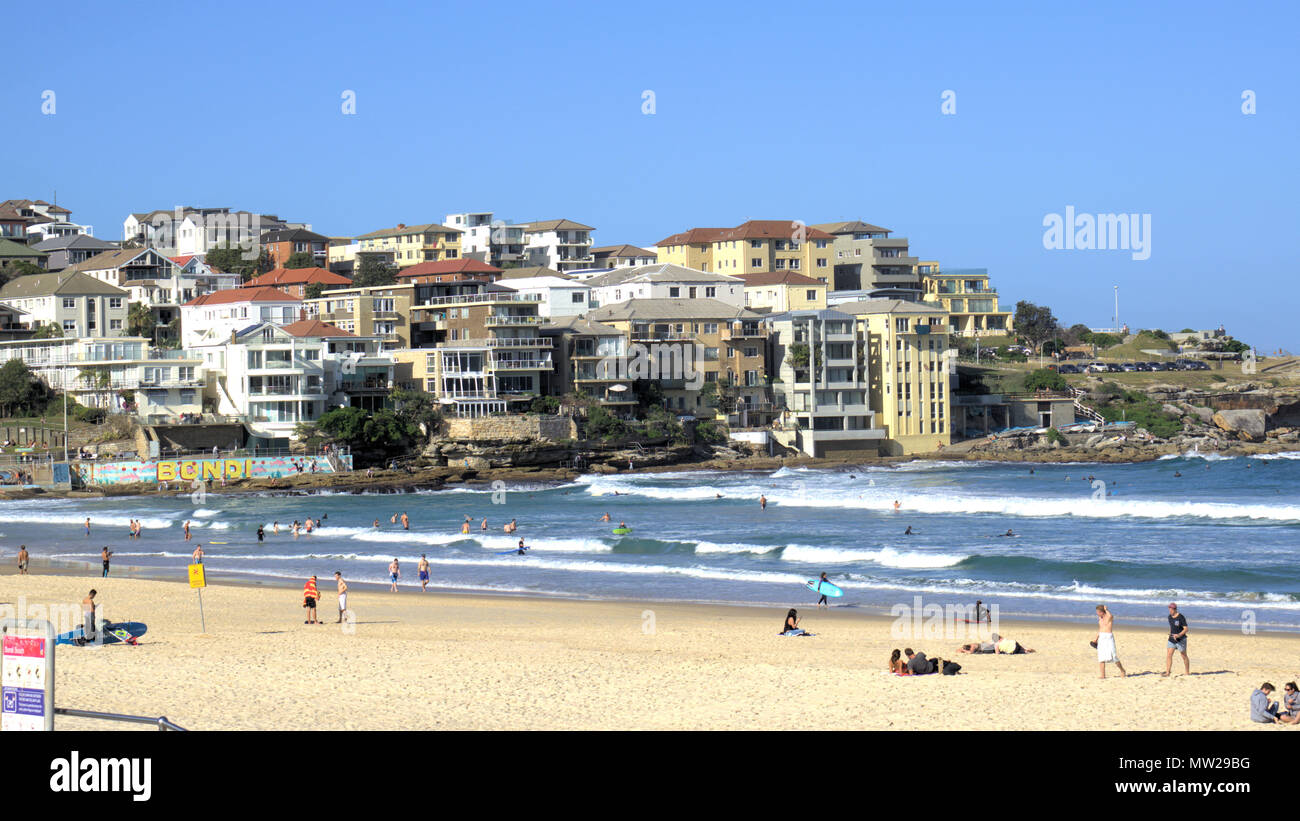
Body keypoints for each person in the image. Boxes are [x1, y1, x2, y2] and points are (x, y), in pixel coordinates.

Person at [1094, 604, 1127, 679]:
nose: (1097, 613)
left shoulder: (1109, 617)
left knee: (1114, 656)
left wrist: (1106, 610)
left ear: (1103, 612)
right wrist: (1096, 639)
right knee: (1101, 656)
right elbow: (1100, 629)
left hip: (1109, 637)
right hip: (1102, 637)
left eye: (1099, 612)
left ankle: (1122, 670)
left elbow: (1111, 616)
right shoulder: (1100, 619)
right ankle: (1103, 675)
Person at [1164, 602, 1190, 677]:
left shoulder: (1181, 617)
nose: (1170, 611)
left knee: (1183, 655)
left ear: (1175, 609)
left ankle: (1187, 672)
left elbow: (1186, 629)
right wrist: (1172, 634)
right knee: (1169, 654)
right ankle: (1167, 672)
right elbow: (1172, 627)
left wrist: (1178, 635)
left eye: (1171, 609)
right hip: (1172, 639)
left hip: (1181, 639)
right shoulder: (1169, 617)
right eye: (1169, 609)